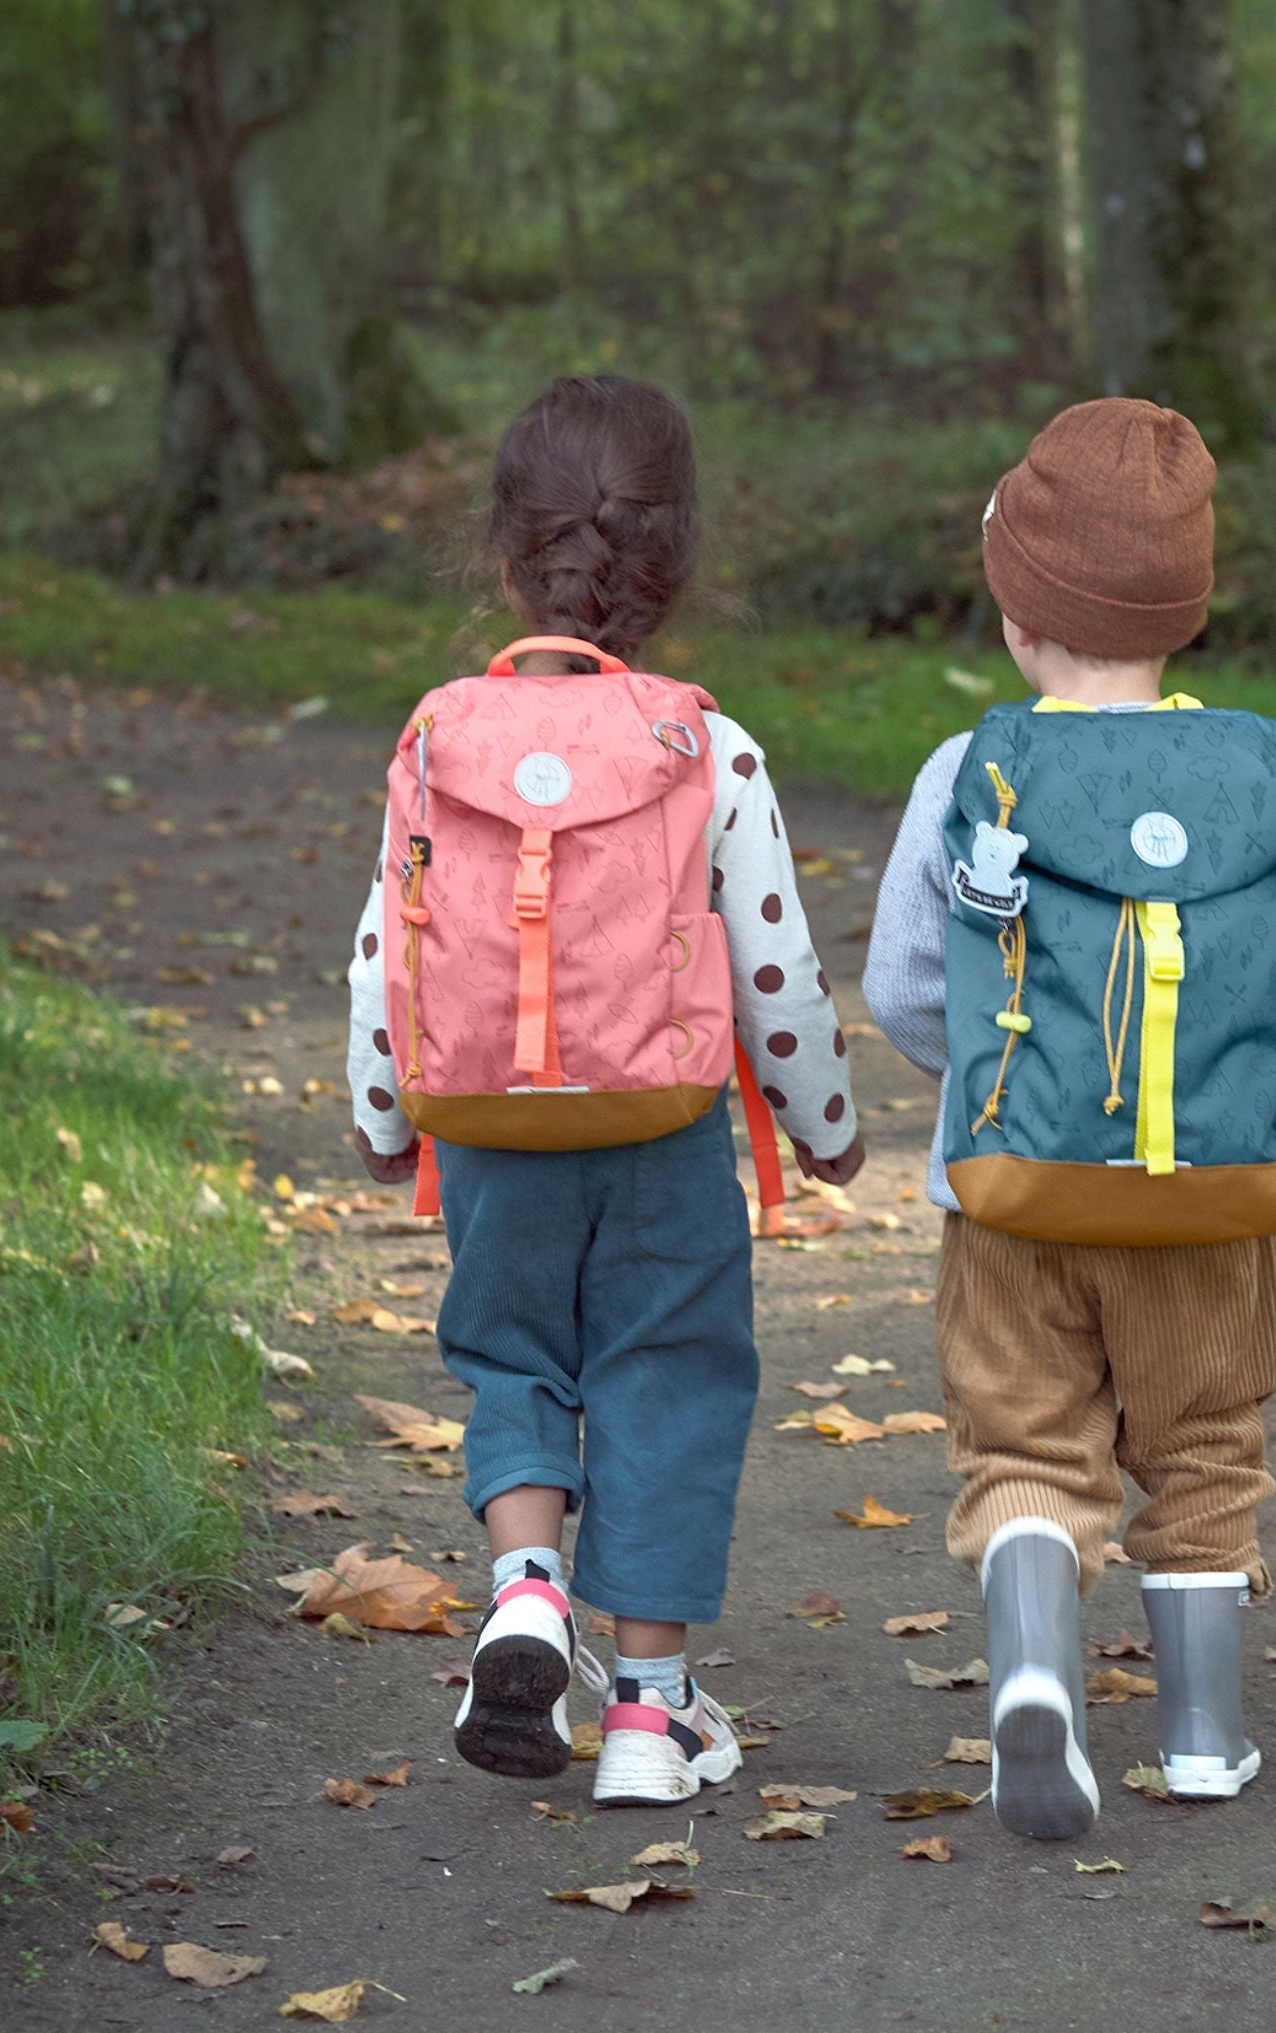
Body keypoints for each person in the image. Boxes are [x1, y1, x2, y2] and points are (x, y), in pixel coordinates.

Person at [347, 374, 864, 1807]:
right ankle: (650, 1717)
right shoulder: (707, 742)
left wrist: (388, 1112)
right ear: (674, 557)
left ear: (509, 551)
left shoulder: (439, 737)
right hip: (662, 1135)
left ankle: (524, 1590)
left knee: (513, 1360)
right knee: (670, 1384)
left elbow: (389, 950)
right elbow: (774, 970)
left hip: (492, 1132)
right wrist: (825, 1124)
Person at [864, 398, 1276, 1839]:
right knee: (1202, 1445)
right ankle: (1201, 1738)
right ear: (1186, 613)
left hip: (1010, 1196)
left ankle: (1032, 1676)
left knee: (1022, 1446)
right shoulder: (1264, 774)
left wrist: (998, 1090)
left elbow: (900, 984)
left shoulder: (971, 770)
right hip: (1210, 1201)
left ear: (1017, 614)